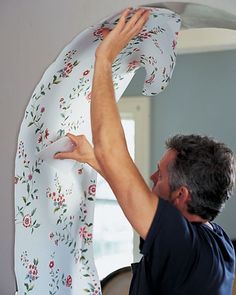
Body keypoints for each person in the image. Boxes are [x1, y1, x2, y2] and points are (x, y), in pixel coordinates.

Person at [55, 8, 236, 294]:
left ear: (182, 194)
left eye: (160, 174)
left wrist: (104, 59)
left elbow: (113, 152)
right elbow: (132, 191)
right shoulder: (217, 241)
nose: (151, 176)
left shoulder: (182, 244)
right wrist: (94, 159)